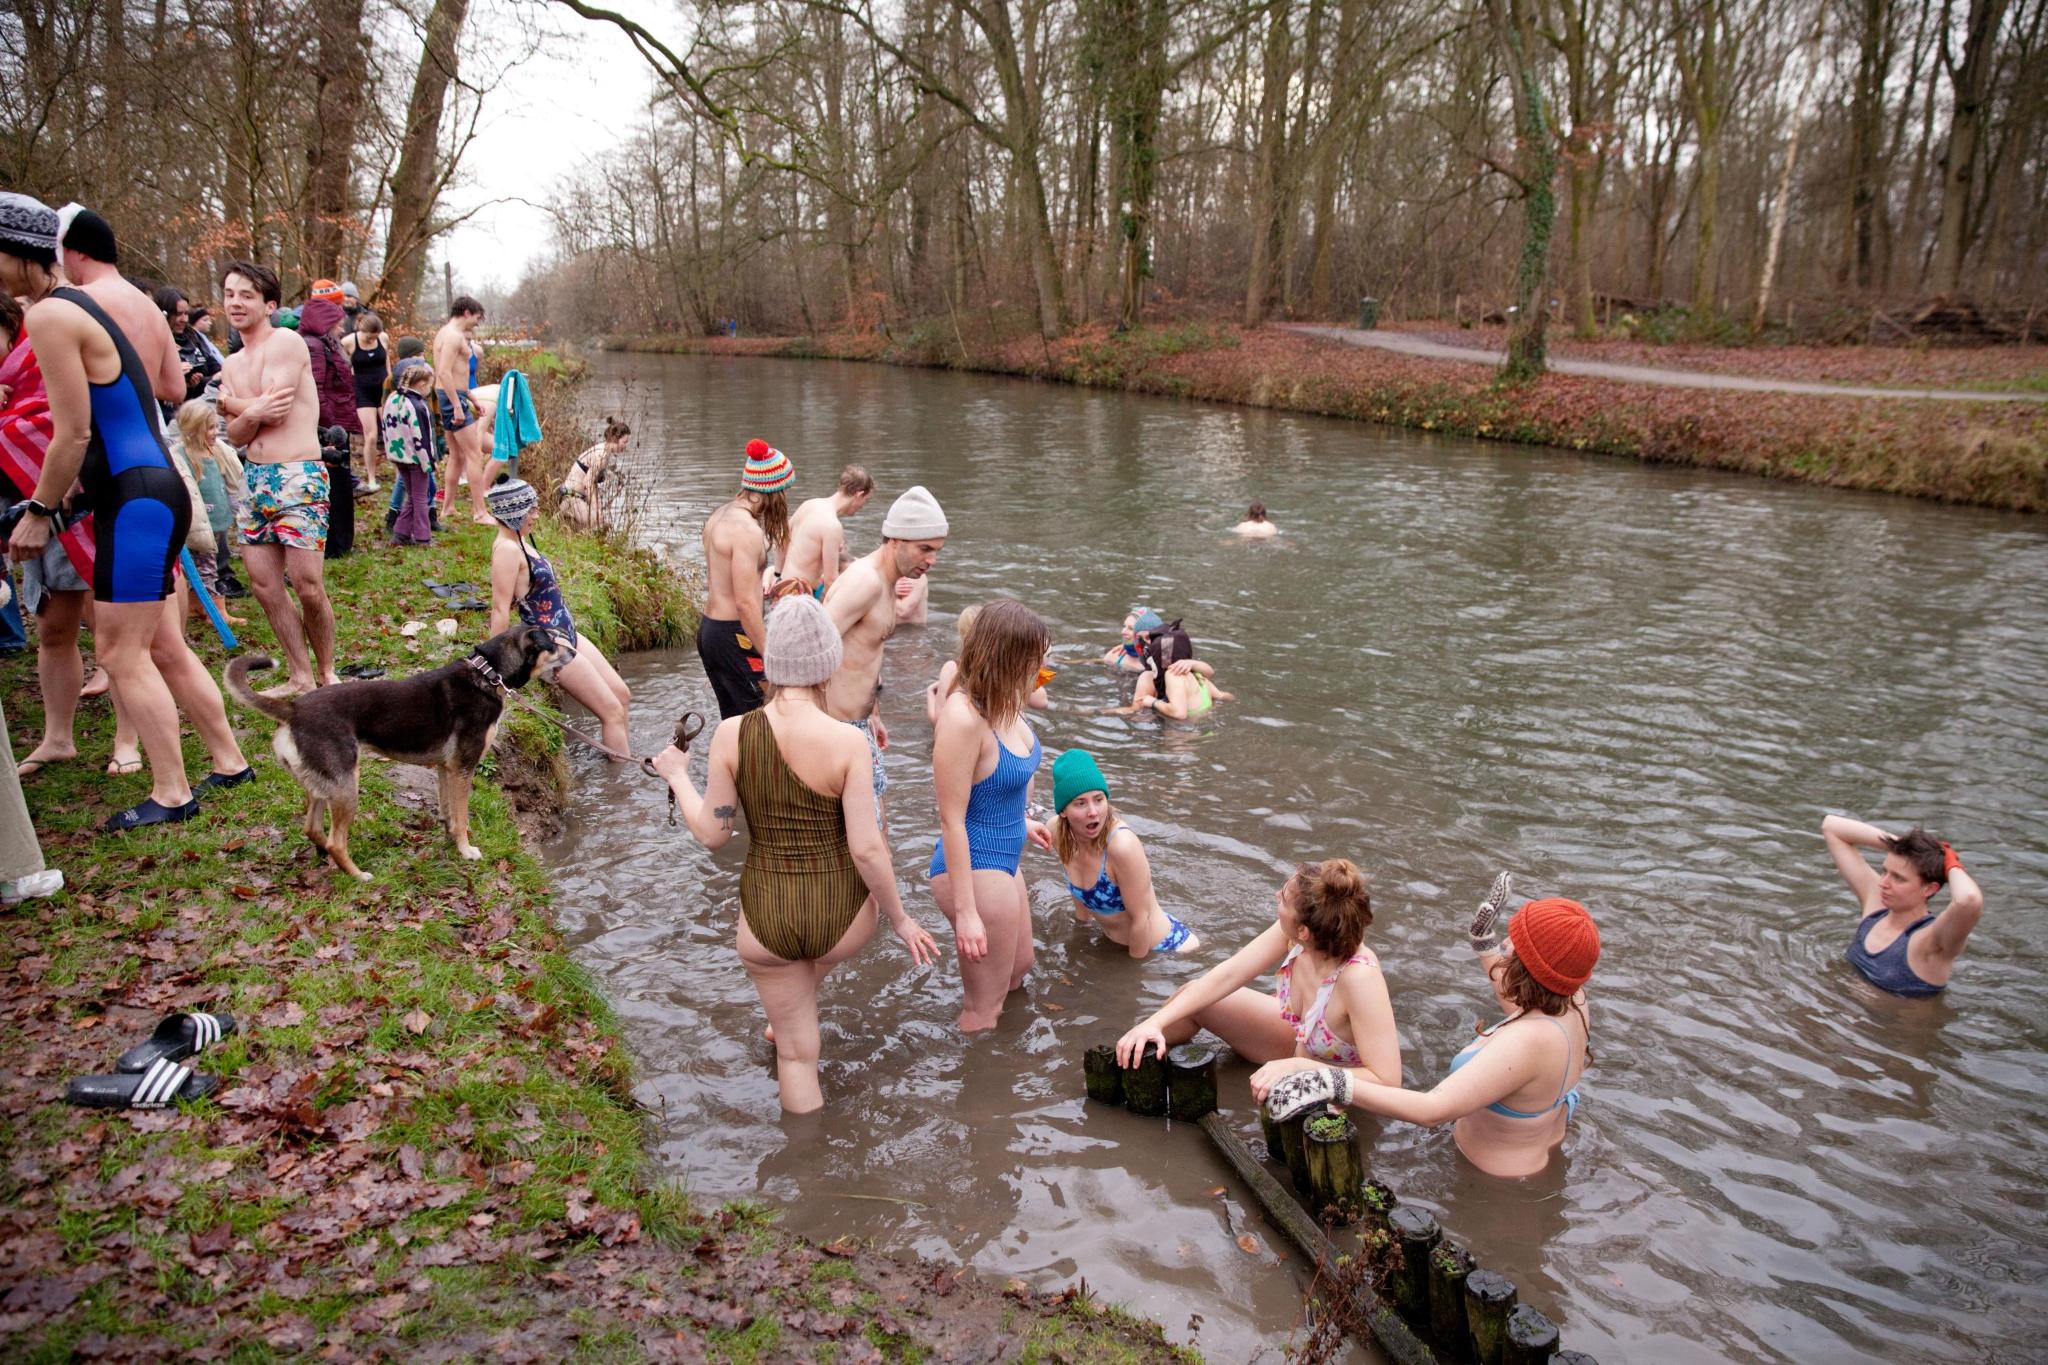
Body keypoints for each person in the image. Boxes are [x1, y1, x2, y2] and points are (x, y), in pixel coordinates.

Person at [0, 194, 252, 828]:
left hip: (130, 497)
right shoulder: (97, 304)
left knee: (119, 654)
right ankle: (227, 760)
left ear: (20, 253)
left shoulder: (52, 315)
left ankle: (171, 793)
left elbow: (72, 433)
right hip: (152, 488)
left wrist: (38, 510)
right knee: (163, 641)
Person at [649, 594, 939, 1112]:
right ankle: (822, 1169)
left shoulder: (732, 734)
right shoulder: (850, 743)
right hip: (842, 921)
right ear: (830, 662)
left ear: (772, 664)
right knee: (816, 963)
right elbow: (869, 850)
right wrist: (901, 921)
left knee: (798, 1058)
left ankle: (800, 1162)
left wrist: (676, 775)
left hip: (765, 921)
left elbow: (713, 834)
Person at [1257, 881, 1597, 1181]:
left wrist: (1328, 1081)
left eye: (1515, 942)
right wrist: (1483, 943)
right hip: (1537, 1148)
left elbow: (1432, 1110)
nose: (1506, 941)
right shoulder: (1572, 1002)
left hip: (1488, 1177)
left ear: (1528, 965)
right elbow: (1522, 998)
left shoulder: (1527, 1043)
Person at [1115, 858, 1398, 1089]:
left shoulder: (1360, 978)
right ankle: (1133, 1057)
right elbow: (1228, 975)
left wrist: (1303, 1068)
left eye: (1284, 900)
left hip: (1335, 1083)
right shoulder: (1299, 934)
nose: (1277, 896)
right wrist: (1153, 1023)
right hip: (1298, 1045)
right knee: (1189, 998)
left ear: (1304, 931)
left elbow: (1387, 1082)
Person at [928, 598, 1050, 1032]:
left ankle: (1005, 1067)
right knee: (985, 1006)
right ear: (1008, 658)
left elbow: (997, 785)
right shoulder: (964, 718)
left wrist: (1023, 821)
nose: (1041, 669)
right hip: (975, 865)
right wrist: (966, 913)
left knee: (1020, 968)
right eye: (1035, 659)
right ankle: (979, 1094)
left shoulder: (1005, 704)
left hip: (1004, 854)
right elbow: (952, 820)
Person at [217, 259, 336, 693]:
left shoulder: (285, 341)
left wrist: (229, 404)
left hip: (298, 474)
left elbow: (277, 407)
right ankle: (300, 674)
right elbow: (239, 434)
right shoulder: (231, 364)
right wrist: (244, 413)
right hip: (255, 477)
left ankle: (326, 673)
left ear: (269, 304)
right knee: (265, 586)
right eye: (230, 294)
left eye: (246, 295)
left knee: (307, 585)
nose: (236, 302)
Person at [485, 476, 633, 757]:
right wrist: (497, 668)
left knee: (622, 695)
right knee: (611, 712)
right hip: (548, 646)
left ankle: (621, 761)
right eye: (531, 510)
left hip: (566, 632)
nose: (537, 515)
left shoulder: (519, 540)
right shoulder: (505, 550)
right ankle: (622, 784)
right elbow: (500, 609)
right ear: (514, 513)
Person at [822, 486, 948, 806]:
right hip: (835, 732)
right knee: (863, 842)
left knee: (876, 828)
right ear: (895, 540)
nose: (931, 560)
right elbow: (810, 652)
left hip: (858, 726)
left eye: (936, 550)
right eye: (924, 548)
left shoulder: (887, 584)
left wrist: (873, 713)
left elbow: (865, 654)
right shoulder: (865, 582)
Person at [1047, 749, 1199, 957]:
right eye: (1080, 803)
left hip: (1164, 952)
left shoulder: (1121, 846)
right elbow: (1080, 899)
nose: (1093, 811)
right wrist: (1079, 937)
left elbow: (1141, 919)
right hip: (1114, 945)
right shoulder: (1057, 832)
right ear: (1063, 811)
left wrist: (1131, 982)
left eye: (1099, 799)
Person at [1823, 814, 1984, 996]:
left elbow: (1969, 900)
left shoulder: (1931, 942)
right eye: (1885, 871)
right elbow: (1832, 827)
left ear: (1929, 889)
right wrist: (1901, 847)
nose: (1883, 883)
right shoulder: (1876, 907)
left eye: (1898, 878)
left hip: (1895, 1023)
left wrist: (1950, 864)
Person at [697, 439, 792, 719]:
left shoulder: (719, 517)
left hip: (709, 632)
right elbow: (745, 604)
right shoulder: (746, 531)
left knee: (735, 720)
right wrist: (770, 657)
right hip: (734, 634)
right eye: (784, 491)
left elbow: (724, 579)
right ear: (771, 491)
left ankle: (729, 763)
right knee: (763, 717)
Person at [172, 399, 242, 614]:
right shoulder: (183, 457)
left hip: (220, 523)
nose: (215, 432)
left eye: (216, 427)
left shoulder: (217, 452)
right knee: (209, 569)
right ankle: (217, 613)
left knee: (209, 565)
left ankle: (196, 606)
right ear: (193, 430)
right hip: (200, 527)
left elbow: (233, 482)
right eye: (210, 428)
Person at [924, 604, 1047, 723]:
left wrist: (930, 693)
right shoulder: (1008, 669)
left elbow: (939, 718)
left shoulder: (952, 667)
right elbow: (1042, 701)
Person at [433, 295, 490, 523]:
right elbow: (444, 373)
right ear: (467, 312)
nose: (476, 323)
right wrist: (457, 406)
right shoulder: (453, 336)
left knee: (456, 455)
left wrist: (471, 398)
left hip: (453, 396)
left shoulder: (444, 333)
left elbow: (457, 374)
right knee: (474, 454)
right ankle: (480, 512)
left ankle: (447, 507)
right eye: (476, 318)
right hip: (450, 399)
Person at [779, 464, 874, 595]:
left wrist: (776, 574)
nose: (863, 506)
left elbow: (782, 540)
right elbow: (830, 581)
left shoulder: (809, 504)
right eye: (866, 500)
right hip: (800, 596)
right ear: (859, 495)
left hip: (782, 587)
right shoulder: (832, 525)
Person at [381, 359, 437, 545]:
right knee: (421, 497)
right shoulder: (418, 406)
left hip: (398, 456)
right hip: (415, 458)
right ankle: (423, 537)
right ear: (421, 384)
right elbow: (422, 436)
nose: (430, 389)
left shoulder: (393, 399)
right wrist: (428, 461)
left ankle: (401, 533)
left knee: (412, 496)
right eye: (430, 385)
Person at [343, 310, 388, 491]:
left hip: (382, 388)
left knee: (389, 431)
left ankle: (402, 472)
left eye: (374, 337)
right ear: (363, 331)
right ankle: (371, 477)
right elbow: (343, 366)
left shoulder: (383, 338)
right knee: (371, 435)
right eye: (370, 337)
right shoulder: (349, 341)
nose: (372, 340)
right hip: (362, 390)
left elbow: (387, 363)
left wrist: (390, 387)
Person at [557, 416, 627, 533]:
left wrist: (597, 506)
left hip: (575, 498)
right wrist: (596, 509)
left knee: (601, 523)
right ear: (615, 439)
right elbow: (588, 483)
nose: (625, 446)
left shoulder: (603, 451)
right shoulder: (601, 455)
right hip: (571, 499)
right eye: (625, 442)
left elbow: (592, 483)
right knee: (598, 522)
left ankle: (563, 522)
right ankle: (561, 517)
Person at [1100, 608, 1151, 672]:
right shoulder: (1115, 654)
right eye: (1124, 626)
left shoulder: (1156, 663)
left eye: (1131, 628)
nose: (1123, 632)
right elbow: (1099, 662)